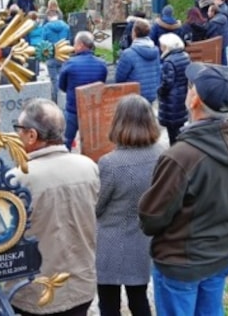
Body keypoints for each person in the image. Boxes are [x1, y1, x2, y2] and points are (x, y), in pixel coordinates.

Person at [139, 63, 228, 316]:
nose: (187, 90)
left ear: (194, 100)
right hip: (221, 251)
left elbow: (152, 218)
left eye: (189, 87)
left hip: (182, 262)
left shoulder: (181, 157)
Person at [9, 99, 99, 315]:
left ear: (31, 135)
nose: (16, 136)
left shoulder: (17, 178)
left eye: (18, 129)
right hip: (80, 282)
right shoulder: (88, 167)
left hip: (34, 291)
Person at [96, 94, 163, 316]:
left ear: (118, 122)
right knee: (139, 299)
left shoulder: (110, 164)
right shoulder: (162, 154)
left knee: (108, 305)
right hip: (143, 239)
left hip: (110, 243)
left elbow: (97, 207)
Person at [58, 31, 108, 151]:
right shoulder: (101, 64)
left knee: (65, 142)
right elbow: (101, 84)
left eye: (75, 44)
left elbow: (61, 86)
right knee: (94, 145)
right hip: (93, 110)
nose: (73, 47)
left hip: (73, 109)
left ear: (80, 45)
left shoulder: (69, 63)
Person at [115, 19, 161, 104]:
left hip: (134, 98)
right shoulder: (156, 51)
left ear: (134, 33)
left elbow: (119, 79)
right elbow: (158, 72)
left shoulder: (128, 54)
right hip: (152, 94)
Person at [157, 33, 191, 146]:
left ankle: (175, 151)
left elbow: (167, 83)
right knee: (179, 127)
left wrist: (160, 92)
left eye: (162, 45)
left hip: (171, 101)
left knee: (172, 132)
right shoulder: (185, 56)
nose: (160, 48)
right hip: (182, 96)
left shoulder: (169, 62)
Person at [41, 2, 70, 103]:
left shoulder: (46, 28)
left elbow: (43, 42)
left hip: (51, 56)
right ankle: (65, 100)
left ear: (49, 16)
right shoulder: (66, 27)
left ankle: (55, 102)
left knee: (54, 81)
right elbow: (69, 40)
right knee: (64, 80)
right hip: (64, 56)